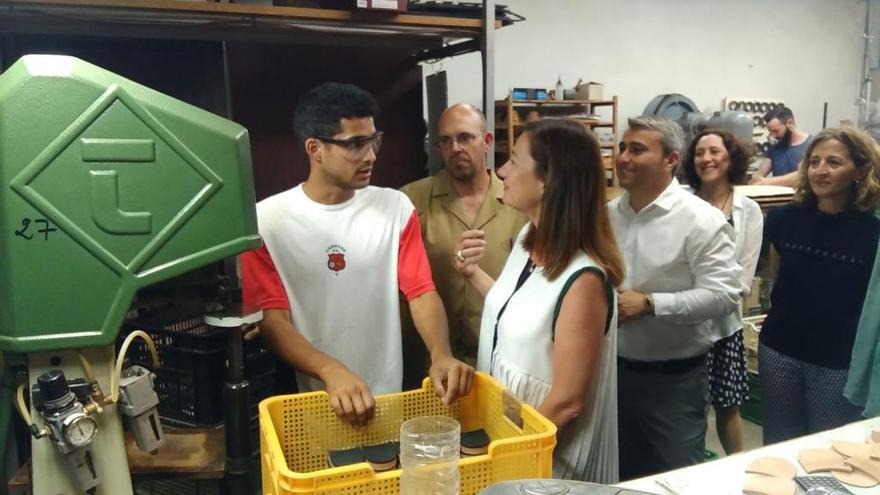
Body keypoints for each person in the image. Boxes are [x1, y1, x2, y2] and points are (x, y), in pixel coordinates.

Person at [240, 82, 473, 427]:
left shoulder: (394, 208)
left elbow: (421, 291)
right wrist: (330, 369)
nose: (371, 156)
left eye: (373, 141)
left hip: (389, 398)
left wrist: (440, 354)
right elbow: (273, 321)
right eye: (354, 145)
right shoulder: (267, 222)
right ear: (315, 149)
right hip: (312, 404)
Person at [455, 118, 624, 483]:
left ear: (548, 180)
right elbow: (516, 312)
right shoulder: (528, 238)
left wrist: (510, 456)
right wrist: (473, 274)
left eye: (514, 161)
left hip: (548, 462)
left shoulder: (584, 281)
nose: (502, 170)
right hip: (507, 439)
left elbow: (567, 402)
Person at [609, 116, 741, 480]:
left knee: (676, 478)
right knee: (619, 475)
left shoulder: (701, 220)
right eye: (622, 147)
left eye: (637, 149)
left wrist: (651, 304)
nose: (623, 157)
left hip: (673, 382)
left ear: (671, 159)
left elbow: (724, 296)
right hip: (611, 375)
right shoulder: (606, 216)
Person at [760, 126, 880, 444]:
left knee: (829, 449)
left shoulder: (873, 232)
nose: (820, 171)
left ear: (862, 170)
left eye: (834, 163)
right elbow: (778, 275)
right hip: (779, 349)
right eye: (814, 162)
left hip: (838, 360)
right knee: (779, 444)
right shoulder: (784, 219)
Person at [400, 104, 526, 383]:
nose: (455, 148)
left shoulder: (518, 203)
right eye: (445, 141)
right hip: (432, 363)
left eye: (465, 138)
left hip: (501, 359)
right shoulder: (412, 201)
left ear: (487, 142)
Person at [682, 129, 764, 455]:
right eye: (700, 153)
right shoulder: (682, 203)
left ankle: (737, 470)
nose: (706, 159)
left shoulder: (749, 209)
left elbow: (743, 276)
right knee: (688, 409)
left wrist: (710, 298)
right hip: (683, 325)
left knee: (728, 406)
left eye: (715, 152)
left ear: (731, 158)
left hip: (724, 325)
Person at [750, 106, 812, 187]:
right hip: (780, 198)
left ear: (790, 123)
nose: (773, 136)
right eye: (771, 132)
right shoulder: (775, 149)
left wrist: (767, 182)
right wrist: (756, 178)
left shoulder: (813, 146)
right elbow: (759, 175)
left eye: (776, 131)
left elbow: (802, 175)